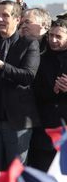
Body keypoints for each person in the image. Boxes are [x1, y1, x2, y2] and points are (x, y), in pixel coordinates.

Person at [0, 0, 40, 170]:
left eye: (5, 15)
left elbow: (27, 76)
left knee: (16, 176)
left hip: (17, 122)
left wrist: (0, 65)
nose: (0, 19)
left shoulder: (29, 44)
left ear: (17, 19)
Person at [31, 19, 67, 171]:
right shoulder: (40, 59)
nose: (53, 40)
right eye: (50, 36)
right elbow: (33, 91)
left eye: (58, 37)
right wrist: (53, 90)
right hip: (45, 132)